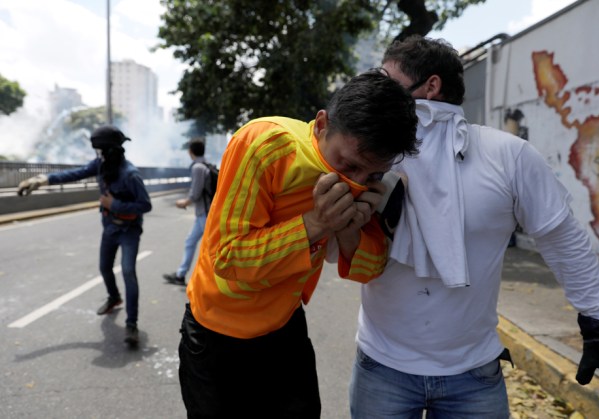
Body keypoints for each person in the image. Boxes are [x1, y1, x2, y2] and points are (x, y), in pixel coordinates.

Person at [349, 36, 599, 418]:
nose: (377, 88)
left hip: (473, 377)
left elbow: (563, 240)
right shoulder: (370, 153)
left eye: (387, 78)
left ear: (431, 86)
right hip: (381, 368)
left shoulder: (508, 155)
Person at [178, 70, 419, 418]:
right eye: (347, 165)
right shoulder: (264, 145)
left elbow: (370, 268)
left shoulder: (370, 186)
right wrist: (316, 224)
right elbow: (229, 258)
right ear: (321, 125)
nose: (356, 182)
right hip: (217, 331)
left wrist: (350, 230)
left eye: (372, 175)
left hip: (285, 325)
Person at [17, 126, 152, 346]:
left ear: (108, 151)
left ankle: (132, 324)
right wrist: (42, 180)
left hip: (129, 231)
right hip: (110, 227)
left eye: (99, 150)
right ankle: (114, 297)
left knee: (128, 271)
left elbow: (145, 205)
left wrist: (114, 204)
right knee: (104, 267)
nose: (97, 155)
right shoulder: (100, 166)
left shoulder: (131, 174)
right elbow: (74, 174)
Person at [163, 139, 216, 286]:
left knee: (210, 248)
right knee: (190, 242)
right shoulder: (207, 165)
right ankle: (180, 275)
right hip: (203, 213)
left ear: (190, 151)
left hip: (205, 214)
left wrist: (184, 202)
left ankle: (213, 282)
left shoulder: (198, 167)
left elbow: (196, 192)